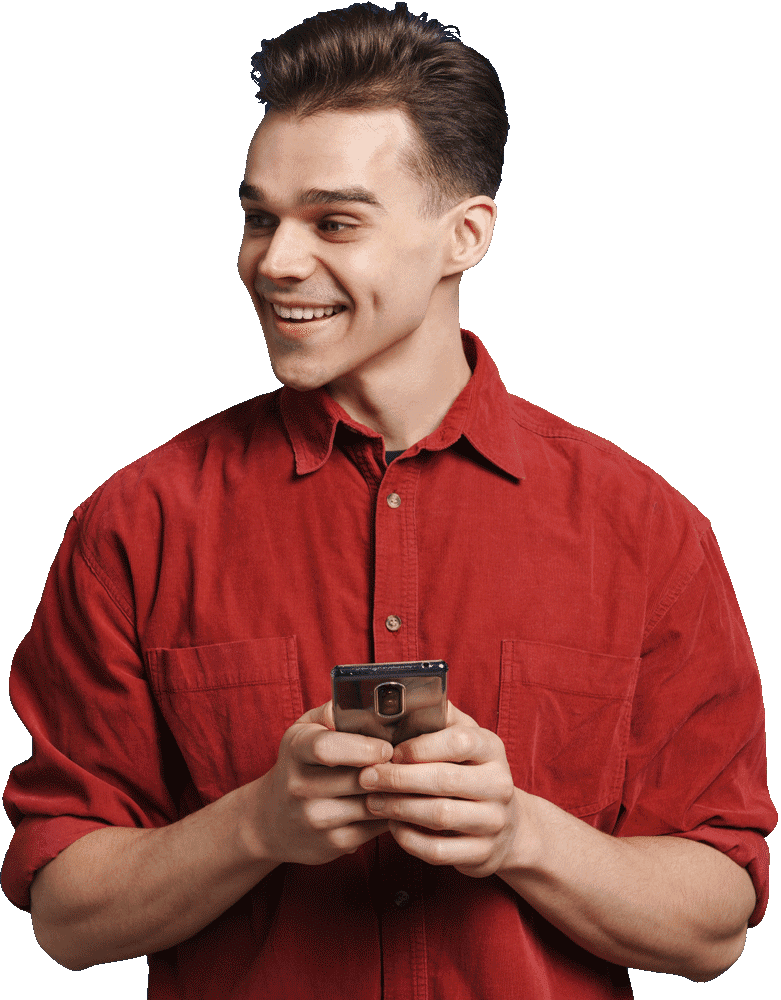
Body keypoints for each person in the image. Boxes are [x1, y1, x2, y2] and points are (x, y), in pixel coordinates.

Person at [2, 4, 775, 998]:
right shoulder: (134, 524)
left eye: (332, 222)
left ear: (463, 235)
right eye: (257, 217)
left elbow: (715, 923)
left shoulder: (647, 530)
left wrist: (520, 831)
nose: (274, 261)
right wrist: (256, 824)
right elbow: (64, 917)